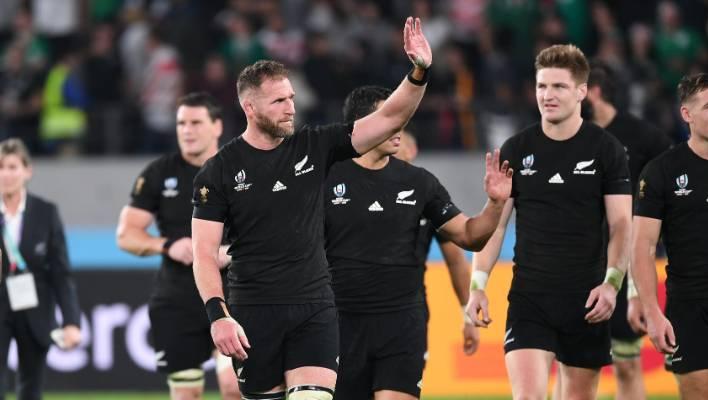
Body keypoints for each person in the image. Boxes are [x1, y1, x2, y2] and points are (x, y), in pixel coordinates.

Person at [191, 17, 433, 400]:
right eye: (279, 101)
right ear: (249, 107)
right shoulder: (218, 171)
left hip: (315, 308)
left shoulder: (315, 146)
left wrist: (418, 72)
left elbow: (389, 118)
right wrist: (218, 316)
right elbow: (204, 254)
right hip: (254, 310)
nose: (291, 107)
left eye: (291, 98)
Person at [465, 44, 633, 400]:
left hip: (587, 302)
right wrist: (477, 285)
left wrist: (612, 284)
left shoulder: (607, 149)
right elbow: (496, 227)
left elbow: (621, 226)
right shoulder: (516, 149)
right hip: (530, 300)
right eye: (542, 86)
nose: (547, 95)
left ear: (582, 91)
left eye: (558, 86)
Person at [324, 86, 510, 399]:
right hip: (339, 327)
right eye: (392, 117)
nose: (401, 125)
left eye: (403, 117)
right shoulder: (325, 178)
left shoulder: (420, 182)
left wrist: (495, 204)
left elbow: (469, 236)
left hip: (402, 327)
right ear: (363, 124)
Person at [552, 61, 673, 400]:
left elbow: (675, 183)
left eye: (575, 90)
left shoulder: (644, 137)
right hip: (575, 264)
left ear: (593, 92)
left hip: (624, 262)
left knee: (626, 364)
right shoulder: (568, 135)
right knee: (568, 365)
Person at [116, 92, 239, 400]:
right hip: (178, 299)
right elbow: (126, 235)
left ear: (217, 126)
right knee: (186, 394)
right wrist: (167, 245)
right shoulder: (159, 173)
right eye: (181, 123)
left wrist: (232, 252)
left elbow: (271, 228)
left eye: (196, 122)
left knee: (234, 388)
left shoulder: (238, 169)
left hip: (234, 294)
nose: (187, 130)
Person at [632, 72, 708, 400]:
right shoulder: (662, 171)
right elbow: (642, 247)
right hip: (690, 307)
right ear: (686, 114)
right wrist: (652, 312)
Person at [0, 138, 82, 400]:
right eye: (0, 167)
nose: (6, 174)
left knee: (31, 388)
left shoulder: (45, 213)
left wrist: (71, 321)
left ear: (27, 171)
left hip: (35, 308)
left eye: (12, 167)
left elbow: (60, 271)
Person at [395, 130, 479, 355]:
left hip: (410, 313)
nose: (391, 146)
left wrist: (467, 316)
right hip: (354, 311)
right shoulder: (359, 189)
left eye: (398, 141)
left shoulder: (426, 192)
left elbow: (456, 261)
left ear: (412, 150)